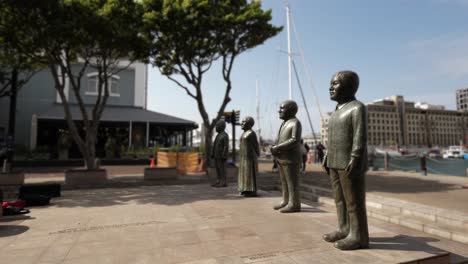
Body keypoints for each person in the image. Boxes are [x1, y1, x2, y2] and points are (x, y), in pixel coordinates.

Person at [322, 70, 369, 250]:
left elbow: (360, 136)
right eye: (331, 83)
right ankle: (344, 227)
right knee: (339, 199)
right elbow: (331, 138)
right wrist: (327, 155)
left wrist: (356, 157)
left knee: (353, 201)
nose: (330, 87)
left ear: (349, 87)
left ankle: (359, 236)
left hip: (349, 162)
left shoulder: (357, 107)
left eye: (335, 83)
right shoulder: (335, 111)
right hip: (334, 161)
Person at [271, 100, 302, 213]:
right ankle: (286, 200)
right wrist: (275, 146)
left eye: (282, 108)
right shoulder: (284, 123)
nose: (279, 111)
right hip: (281, 158)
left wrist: (278, 147)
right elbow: (280, 138)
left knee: (292, 182)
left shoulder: (295, 123)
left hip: (291, 159)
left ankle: (294, 203)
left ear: (291, 110)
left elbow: (294, 140)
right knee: (284, 182)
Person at [238, 116, 260, 197]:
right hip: (243, 157)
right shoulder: (244, 133)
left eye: (243, 122)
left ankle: (252, 190)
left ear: (249, 124)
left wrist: (257, 154)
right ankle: (244, 189)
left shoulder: (251, 133)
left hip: (249, 157)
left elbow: (256, 145)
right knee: (244, 173)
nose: (241, 123)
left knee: (249, 173)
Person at [211, 120, 229, 187]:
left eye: (217, 126)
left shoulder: (225, 135)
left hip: (221, 156)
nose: (216, 127)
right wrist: (213, 153)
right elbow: (215, 145)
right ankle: (219, 180)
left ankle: (223, 182)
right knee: (218, 169)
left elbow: (226, 146)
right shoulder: (218, 135)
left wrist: (224, 154)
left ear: (222, 127)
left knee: (222, 169)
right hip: (216, 155)